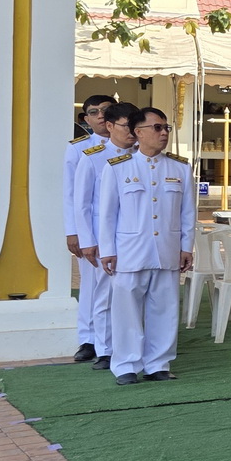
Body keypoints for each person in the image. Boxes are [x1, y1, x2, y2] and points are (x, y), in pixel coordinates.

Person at [95, 106, 194, 384]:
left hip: (166, 249)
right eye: (157, 128)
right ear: (138, 133)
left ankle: (158, 364)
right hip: (129, 251)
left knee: (164, 308)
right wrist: (108, 251)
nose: (163, 133)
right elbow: (107, 213)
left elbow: (188, 213)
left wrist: (186, 247)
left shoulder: (180, 168)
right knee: (126, 310)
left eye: (166, 128)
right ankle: (126, 365)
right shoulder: (117, 167)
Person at [81, 103, 142, 369]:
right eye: (126, 125)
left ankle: (134, 346)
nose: (131, 132)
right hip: (103, 237)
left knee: (135, 295)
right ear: (110, 126)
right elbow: (82, 203)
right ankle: (104, 349)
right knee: (104, 294)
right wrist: (88, 241)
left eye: (135, 126)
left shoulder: (145, 156)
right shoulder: (92, 156)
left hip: (135, 239)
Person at [65, 95, 118, 363]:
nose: (101, 116)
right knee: (90, 286)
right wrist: (74, 231)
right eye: (94, 112)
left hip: (122, 231)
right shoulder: (79, 149)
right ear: (86, 119)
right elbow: (72, 194)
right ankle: (88, 339)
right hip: (92, 229)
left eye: (106, 111)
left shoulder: (129, 146)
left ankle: (114, 338)